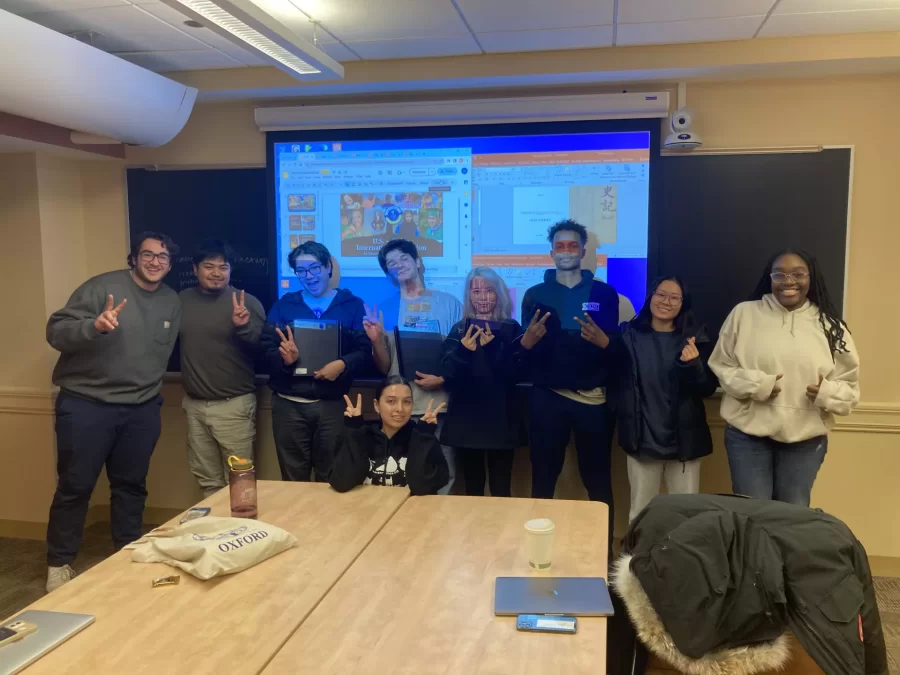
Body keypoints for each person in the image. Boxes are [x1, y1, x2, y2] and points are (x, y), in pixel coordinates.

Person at [44, 231, 181, 592]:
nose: (155, 262)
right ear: (133, 258)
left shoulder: (171, 301)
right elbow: (56, 332)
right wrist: (94, 326)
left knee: (131, 486)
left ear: (170, 263)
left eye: (163, 257)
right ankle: (59, 563)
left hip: (140, 409)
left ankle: (126, 552)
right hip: (87, 405)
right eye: (148, 255)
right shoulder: (100, 288)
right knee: (75, 487)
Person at [709, 249, 859, 506]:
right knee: (752, 512)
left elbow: (850, 389)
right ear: (770, 278)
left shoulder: (831, 325)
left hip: (805, 439)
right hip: (748, 436)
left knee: (793, 514)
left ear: (811, 278)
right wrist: (758, 385)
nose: (788, 281)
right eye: (780, 274)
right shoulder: (744, 314)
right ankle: (754, 550)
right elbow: (721, 365)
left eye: (798, 274)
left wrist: (826, 393)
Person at [518, 219, 619, 541]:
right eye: (559, 246)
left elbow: (616, 351)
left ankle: (603, 554)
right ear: (551, 253)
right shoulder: (535, 295)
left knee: (598, 478)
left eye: (572, 245)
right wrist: (527, 342)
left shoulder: (604, 293)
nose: (565, 251)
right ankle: (536, 547)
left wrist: (604, 342)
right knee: (544, 478)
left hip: (593, 401)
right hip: (546, 399)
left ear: (583, 251)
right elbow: (525, 351)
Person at [261, 241, 386, 482]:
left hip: (332, 405)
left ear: (328, 267)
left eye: (315, 268)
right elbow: (265, 349)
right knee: (292, 477)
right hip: (288, 406)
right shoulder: (284, 305)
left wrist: (342, 365)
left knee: (330, 475)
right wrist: (283, 359)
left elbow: (364, 350)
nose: (309, 276)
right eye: (301, 271)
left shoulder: (352, 306)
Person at [609, 277, 718, 523]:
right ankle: (638, 561)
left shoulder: (695, 338)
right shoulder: (628, 335)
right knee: (640, 512)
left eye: (674, 297)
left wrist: (694, 366)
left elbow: (707, 389)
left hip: (684, 441)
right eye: (661, 294)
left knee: (685, 514)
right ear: (651, 297)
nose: (666, 302)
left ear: (683, 303)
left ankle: (680, 561)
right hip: (642, 439)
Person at [178, 240, 266, 498]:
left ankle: (241, 534)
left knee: (239, 481)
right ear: (195, 269)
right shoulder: (180, 301)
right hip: (194, 405)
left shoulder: (246, 302)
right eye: (209, 266)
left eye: (223, 267)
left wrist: (243, 327)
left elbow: (262, 352)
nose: (216, 272)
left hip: (233, 405)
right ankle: (214, 534)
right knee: (207, 480)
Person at [374, 238, 462, 494]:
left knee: (443, 472)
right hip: (398, 407)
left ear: (418, 262)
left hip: (438, 405)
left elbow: (461, 356)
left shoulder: (449, 303)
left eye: (403, 258)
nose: (398, 265)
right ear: (388, 272)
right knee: (401, 475)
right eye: (391, 263)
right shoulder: (383, 309)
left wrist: (443, 378)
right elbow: (383, 367)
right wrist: (376, 340)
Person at [440, 268, 522, 497]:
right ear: (469, 296)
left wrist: (493, 349)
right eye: (476, 291)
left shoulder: (511, 327)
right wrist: (463, 352)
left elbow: (517, 373)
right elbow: (448, 374)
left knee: (501, 487)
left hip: (501, 419)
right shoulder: (458, 329)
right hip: (468, 420)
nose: (483, 297)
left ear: (500, 295)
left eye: (489, 291)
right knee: (473, 486)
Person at [329, 376, 449, 495]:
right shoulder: (363, 436)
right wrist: (354, 429)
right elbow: (341, 483)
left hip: (409, 511)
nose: (400, 409)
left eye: (406, 402)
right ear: (377, 405)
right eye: (391, 401)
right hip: (365, 509)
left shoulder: (422, 438)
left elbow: (422, 488)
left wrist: (424, 434)